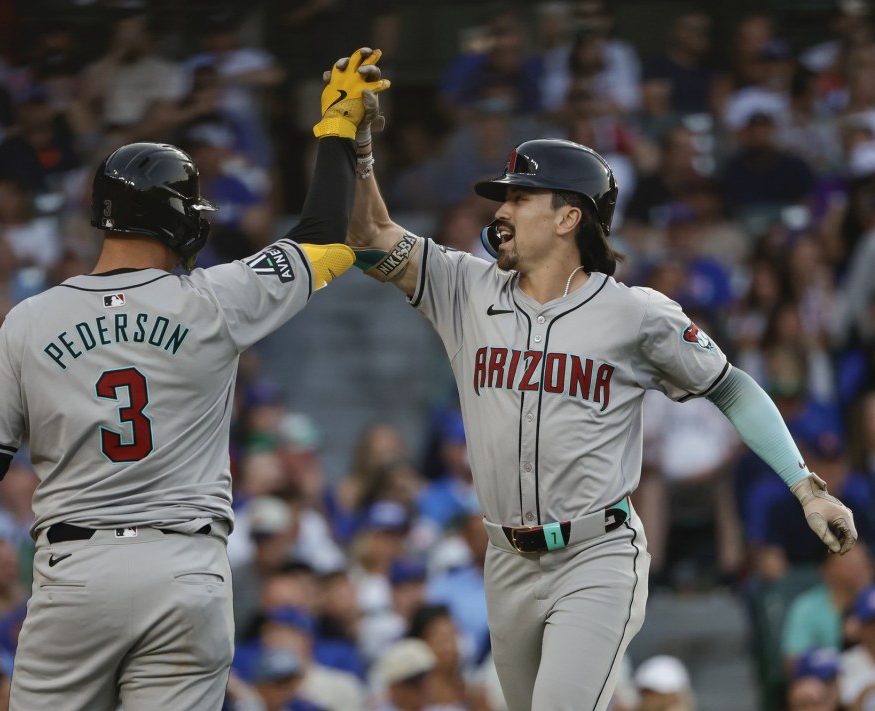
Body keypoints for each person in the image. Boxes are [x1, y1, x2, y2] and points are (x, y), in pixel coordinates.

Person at [332, 54, 859, 711]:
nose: (503, 209)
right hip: (505, 557)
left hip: (595, 555)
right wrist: (356, 146)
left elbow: (732, 386)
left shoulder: (635, 313)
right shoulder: (465, 287)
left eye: (520, 197)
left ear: (567, 218)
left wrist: (807, 488)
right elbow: (370, 235)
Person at [0, 47, 389, 710]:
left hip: (75, 573)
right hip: (185, 569)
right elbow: (322, 232)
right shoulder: (215, 298)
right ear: (177, 215)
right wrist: (339, 128)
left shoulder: (31, 318)